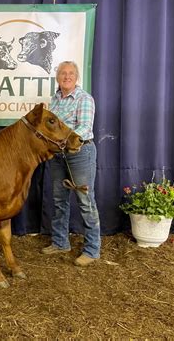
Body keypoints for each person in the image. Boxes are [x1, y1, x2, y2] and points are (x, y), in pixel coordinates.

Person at [41, 60, 101, 266]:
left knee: (86, 202)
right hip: (59, 155)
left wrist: (61, 141)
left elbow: (84, 128)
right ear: (57, 78)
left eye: (71, 74)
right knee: (59, 200)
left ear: (77, 78)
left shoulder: (84, 99)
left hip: (80, 153)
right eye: (62, 73)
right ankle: (60, 242)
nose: (66, 77)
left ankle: (92, 250)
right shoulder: (55, 99)